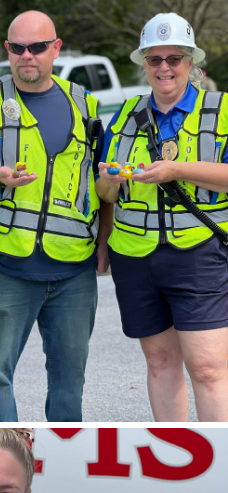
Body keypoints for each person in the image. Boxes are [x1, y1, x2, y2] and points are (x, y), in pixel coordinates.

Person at [0, 12, 111, 422]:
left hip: (73, 272)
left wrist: (104, 246)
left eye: (37, 47)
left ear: (55, 48)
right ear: (8, 50)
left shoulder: (85, 105)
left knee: (70, 383)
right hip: (3, 267)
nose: (27, 56)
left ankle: (62, 467)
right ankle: (2, 462)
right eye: (17, 48)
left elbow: (103, 186)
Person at [96, 13, 228, 422]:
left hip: (200, 254)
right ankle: (179, 458)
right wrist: (111, 180)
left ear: (191, 63)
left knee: (208, 368)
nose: (164, 68)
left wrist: (176, 169)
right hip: (135, 257)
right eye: (155, 60)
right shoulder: (124, 115)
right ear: (144, 65)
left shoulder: (221, 109)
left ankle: (218, 470)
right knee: (159, 363)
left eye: (174, 58)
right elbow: (104, 193)